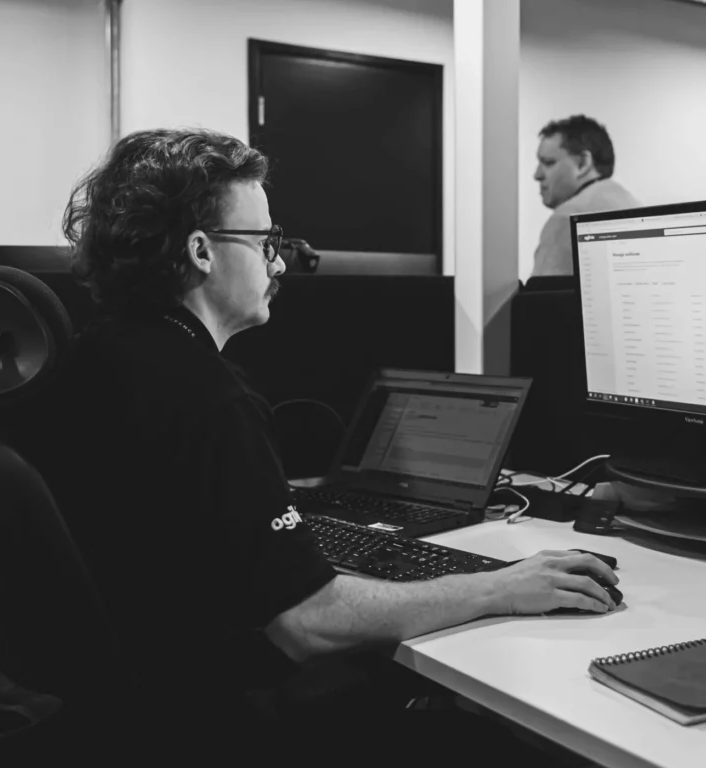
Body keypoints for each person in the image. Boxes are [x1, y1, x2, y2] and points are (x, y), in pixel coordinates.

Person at [40, 128, 618, 766]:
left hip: (131, 709)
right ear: (201, 251)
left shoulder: (102, 354)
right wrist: (500, 587)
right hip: (216, 724)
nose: (279, 263)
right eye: (265, 242)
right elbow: (308, 622)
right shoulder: (205, 394)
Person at [531, 115, 640, 277]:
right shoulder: (631, 203)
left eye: (548, 163)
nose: (537, 174)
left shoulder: (568, 219)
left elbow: (543, 300)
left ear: (583, 163)